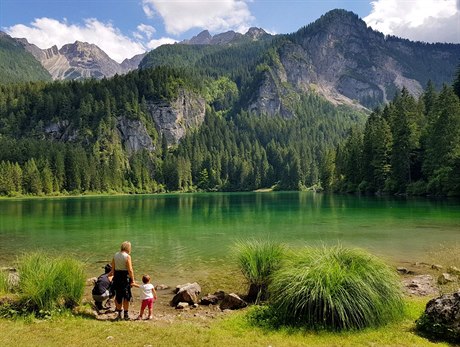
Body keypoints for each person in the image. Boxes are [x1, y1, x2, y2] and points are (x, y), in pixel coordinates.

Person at [108, 241, 137, 320]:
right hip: (125, 277)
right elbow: (130, 269)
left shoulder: (115, 255)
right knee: (126, 296)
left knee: (118, 295)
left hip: (117, 277)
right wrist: (133, 280)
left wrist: (108, 277)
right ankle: (126, 315)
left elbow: (112, 269)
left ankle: (119, 314)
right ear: (128, 248)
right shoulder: (127, 256)